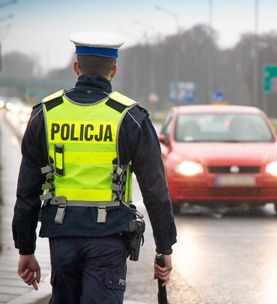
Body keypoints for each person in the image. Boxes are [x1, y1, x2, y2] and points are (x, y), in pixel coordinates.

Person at [12, 31, 177, 303]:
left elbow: (27, 189)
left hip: (62, 234)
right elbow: (156, 190)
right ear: (113, 70)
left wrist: (25, 249)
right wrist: (164, 247)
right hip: (109, 237)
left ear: (76, 67)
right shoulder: (131, 117)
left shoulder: (45, 113)